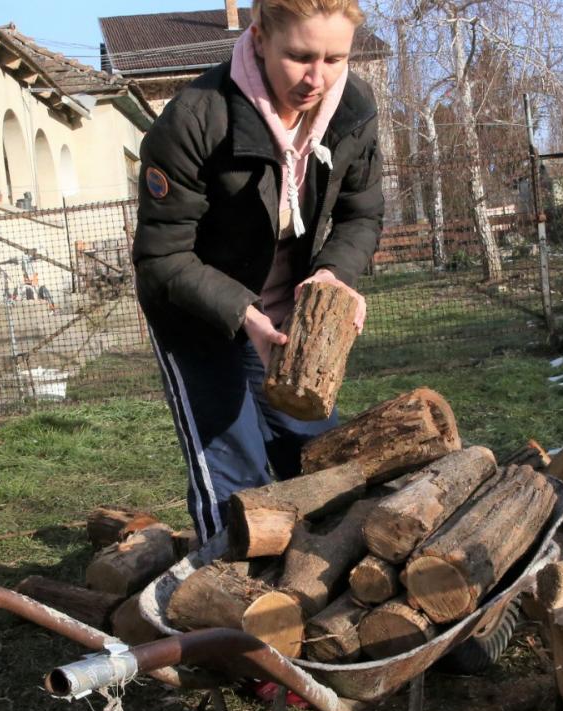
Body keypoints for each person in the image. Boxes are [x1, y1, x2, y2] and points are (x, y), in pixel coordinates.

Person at [133, 0, 382, 544]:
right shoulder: (196, 119)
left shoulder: (353, 112)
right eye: (299, 56)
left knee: (317, 454)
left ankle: (318, 595)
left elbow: (361, 213)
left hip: (289, 316)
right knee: (234, 471)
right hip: (197, 313)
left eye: (335, 58)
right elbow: (162, 258)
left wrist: (333, 276)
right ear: (260, 36)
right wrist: (243, 315)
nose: (317, 78)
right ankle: (225, 606)